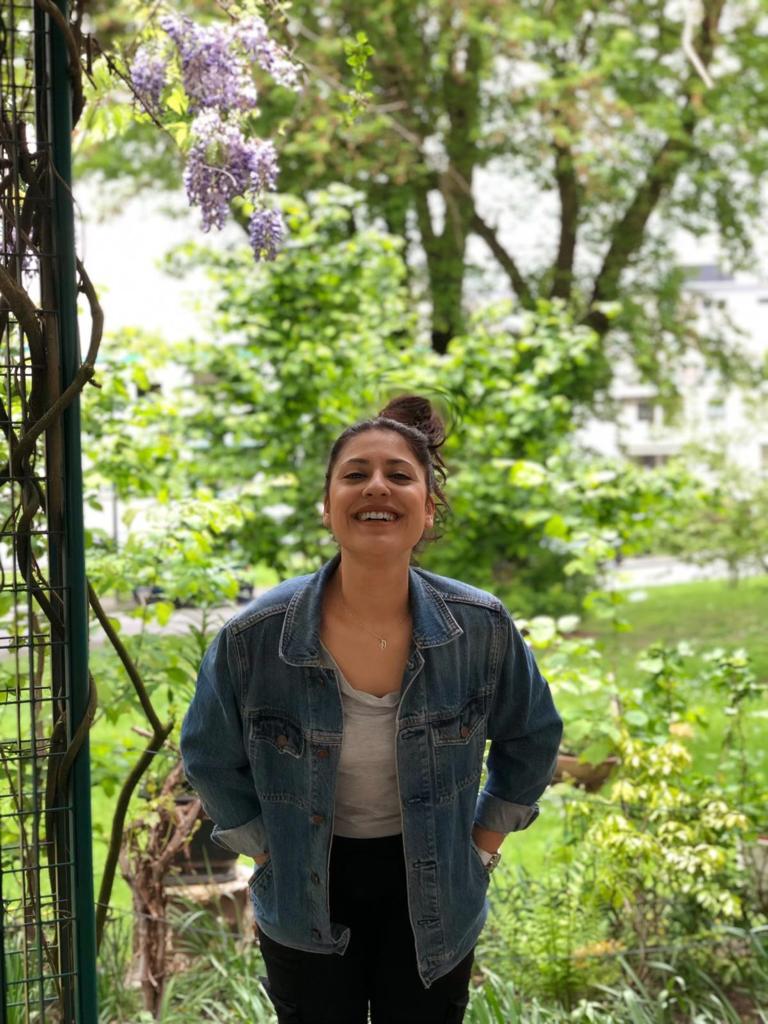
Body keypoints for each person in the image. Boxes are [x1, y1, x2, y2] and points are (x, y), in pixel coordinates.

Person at [181, 394, 563, 1024]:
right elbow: (207, 753)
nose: (377, 487)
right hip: (303, 892)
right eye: (355, 474)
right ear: (327, 506)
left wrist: (482, 846)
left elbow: (534, 735)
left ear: (428, 507)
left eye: (399, 475)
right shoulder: (257, 636)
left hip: (438, 890)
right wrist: (267, 853)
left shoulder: (481, 627)